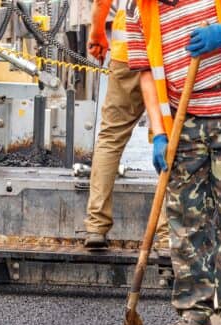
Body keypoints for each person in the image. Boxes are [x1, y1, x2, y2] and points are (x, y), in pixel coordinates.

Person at [127, 0, 221, 325]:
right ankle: (194, 311)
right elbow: (146, 73)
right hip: (182, 123)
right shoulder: (136, 8)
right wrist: (158, 132)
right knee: (185, 220)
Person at [82, 0, 168, 251]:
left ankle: (96, 226)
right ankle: (166, 233)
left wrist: (97, 32)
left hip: (127, 51)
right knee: (170, 137)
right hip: (167, 53)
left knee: (111, 136)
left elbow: (102, 2)